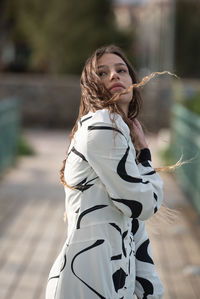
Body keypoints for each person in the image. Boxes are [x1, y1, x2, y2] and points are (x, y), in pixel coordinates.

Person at [45, 45, 164, 299]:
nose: (114, 75)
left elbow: (135, 228)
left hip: (110, 280)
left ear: (132, 80)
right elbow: (143, 204)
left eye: (121, 70)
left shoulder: (118, 133)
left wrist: (152, 292)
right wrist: (145, 153)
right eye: (102, 73)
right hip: (87, 282)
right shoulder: (101, 126)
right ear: (90, 86)